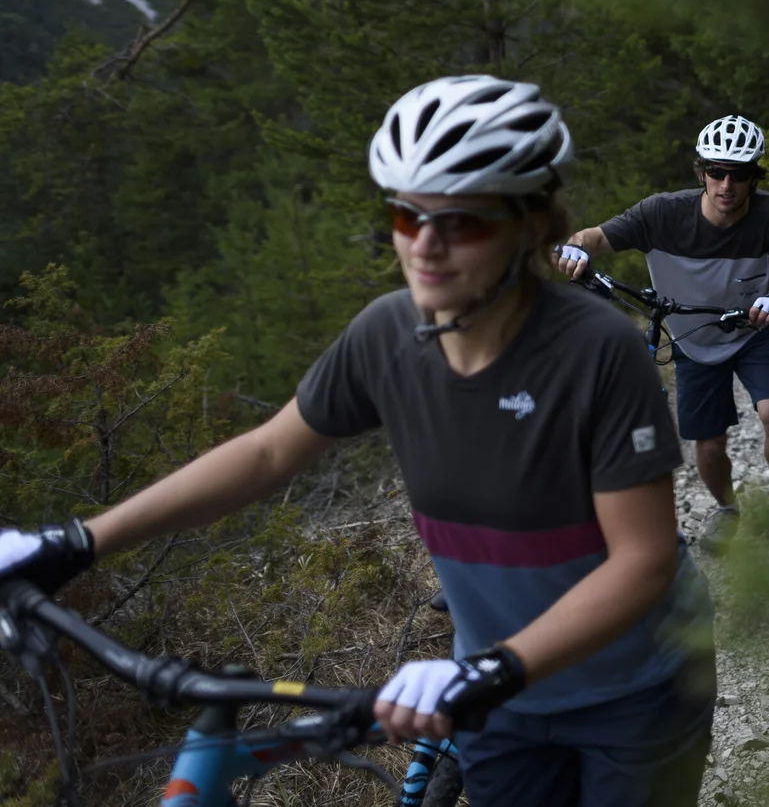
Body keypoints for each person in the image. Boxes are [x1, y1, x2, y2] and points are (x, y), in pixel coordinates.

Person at [0, 75, 713, 807]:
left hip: (636, 687)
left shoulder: (596, 351)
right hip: (499, 699)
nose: (425, 246)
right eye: (407, 216)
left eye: (462, 222)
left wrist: (491, 667)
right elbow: (267, 452)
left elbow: (642, 559)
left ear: (531, 225)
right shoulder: (387, 334)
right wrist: (76, 541)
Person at [558, 115, 769, 549]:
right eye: (716, 171)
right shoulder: (661, 213)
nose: (726, 185)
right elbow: (593, 238)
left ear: (754, 177)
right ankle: (727, 509)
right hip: (692, 343)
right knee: (709, 445)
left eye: (739, 174)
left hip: (751, 330)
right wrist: (573, 250)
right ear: (701, 172)